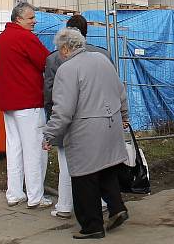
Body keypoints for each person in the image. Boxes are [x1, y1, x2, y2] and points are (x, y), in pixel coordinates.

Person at [43, 28, 130, 239]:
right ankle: (117, 207)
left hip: (86, 131)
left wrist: (49, 135)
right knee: (106, 169)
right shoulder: (101, 59)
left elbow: (63, 110)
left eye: (59, 49)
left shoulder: (67, 70)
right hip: (111, 124)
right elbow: (121, 91)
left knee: (84, 178)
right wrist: (125, 116)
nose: (59, 54)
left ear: (65, 48)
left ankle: (92, 226)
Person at [43, 15, 112, 219]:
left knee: (66, 164)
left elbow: (49, 92)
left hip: (67, 120)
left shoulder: (53, 58)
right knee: (97, 163)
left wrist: (51, 122)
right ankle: (101, 203)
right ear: (86, 32)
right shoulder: (102, 54)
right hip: (98, 120)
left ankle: (64, 206)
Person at [0, 2, 52, 209]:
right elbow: (45, 61)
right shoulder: (26, 37)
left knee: (15, 149)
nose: (34, 21)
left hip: (8, 102)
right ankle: (36, 196)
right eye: (30, 18)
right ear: (18, 19)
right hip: (28, 101)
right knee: (35, 149)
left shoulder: (1, 38)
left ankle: (14, 193)